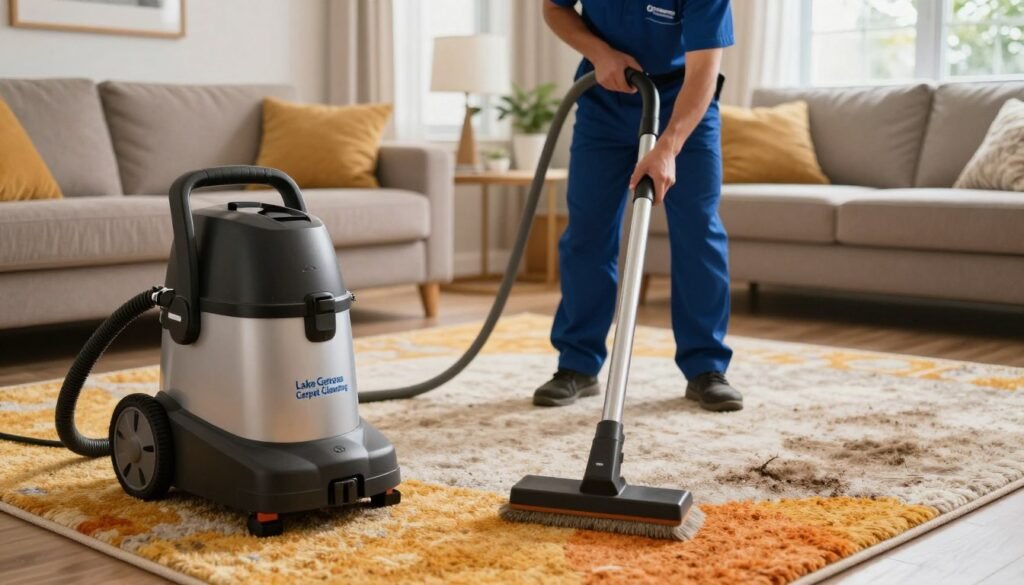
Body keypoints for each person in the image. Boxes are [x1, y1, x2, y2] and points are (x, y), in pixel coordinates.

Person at [534, 0, 742, 412]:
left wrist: (668, 146)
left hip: (683, 98)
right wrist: (600, 52)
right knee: (588, 231)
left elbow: (703, 70)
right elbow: (554, 8)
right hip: (604, 95)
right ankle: (577, 364)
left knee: (698, 231)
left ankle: (706, 368)